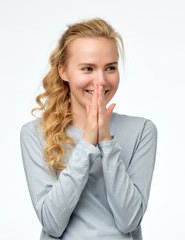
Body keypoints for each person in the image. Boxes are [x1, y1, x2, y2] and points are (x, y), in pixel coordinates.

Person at [20, 18, 157, 240]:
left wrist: (106, 141)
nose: (100, 81)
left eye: (110, 68)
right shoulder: (35, 134)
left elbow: (129, 220)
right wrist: (87, 143)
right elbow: (53, 224)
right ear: (64, 72)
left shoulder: (142, 130)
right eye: (88, 68)